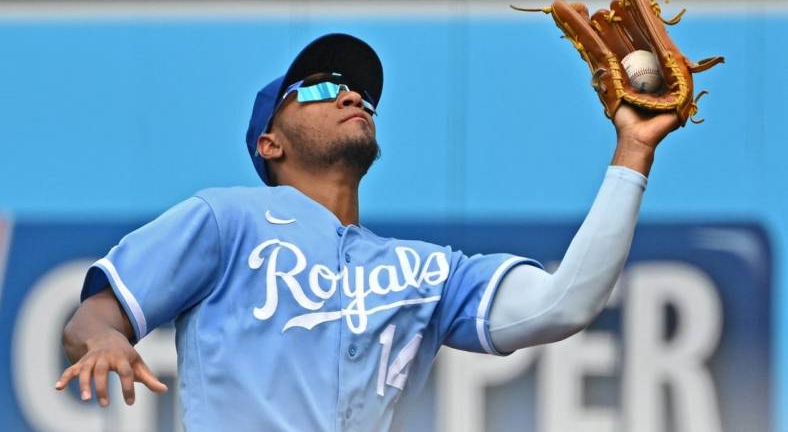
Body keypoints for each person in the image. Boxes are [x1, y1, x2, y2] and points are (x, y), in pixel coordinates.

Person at [56, 33, 678, 431]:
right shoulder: (227, 218)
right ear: (269, 142)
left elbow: (563, 302)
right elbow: (91, 319)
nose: (351, 94)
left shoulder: (431, 270)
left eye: (359, 91)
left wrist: (632, 150)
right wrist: (105, 342)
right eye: (322, 87)